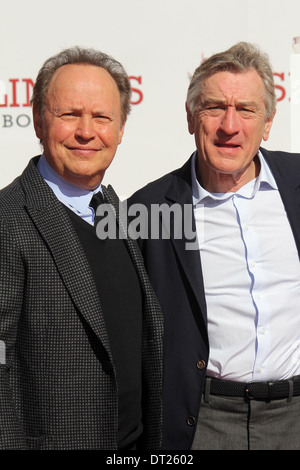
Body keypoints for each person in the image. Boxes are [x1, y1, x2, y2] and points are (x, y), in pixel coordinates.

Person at [128, 41, 300, 450]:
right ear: (191, 118)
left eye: (246, 109)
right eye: (214, 108)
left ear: (269, 122)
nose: (229, 125)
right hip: (202, 423)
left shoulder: (297, 183)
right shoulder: (147, 209)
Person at [0, 46, 163, 450]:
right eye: (69, 114)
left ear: (121, 128)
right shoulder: (8, 219)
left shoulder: (117, 212)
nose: (87, 131)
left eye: (103, 117)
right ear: (38, 120)